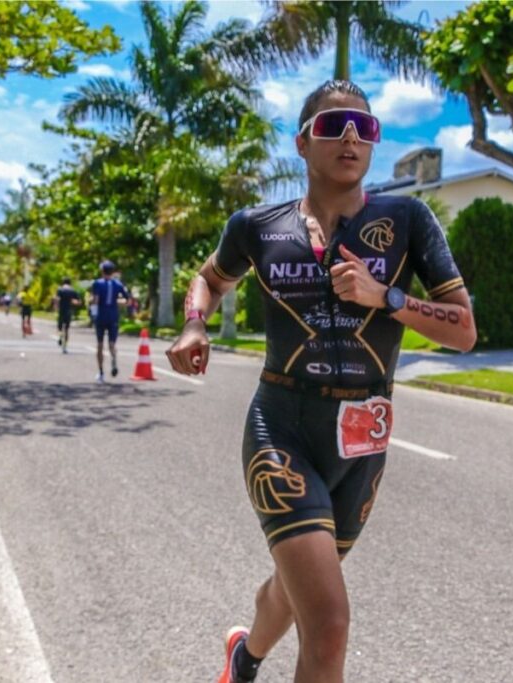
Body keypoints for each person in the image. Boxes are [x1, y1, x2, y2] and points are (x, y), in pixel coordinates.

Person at [165, 80, 476, 683]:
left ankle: (243, 656)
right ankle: (248, 658)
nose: (352, 138)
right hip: (282, 426)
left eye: (366, 128)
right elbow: (208, 279)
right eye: (334, 127)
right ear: (303, 143)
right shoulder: (256, 226)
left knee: (299, 585)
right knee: (328, 623)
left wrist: (385, 296)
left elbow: (463, 330)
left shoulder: (408, 219)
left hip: (362, 441)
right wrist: (195, 324)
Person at [90, 260, 131, 383]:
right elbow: (128, 301)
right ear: (112, 272)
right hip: (113, 316)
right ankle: (113, 359)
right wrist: (116, 302)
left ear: (102, 271)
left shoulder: (97, 283)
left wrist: (92, 311)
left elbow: (96, 300)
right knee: (112, 344)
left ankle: (101, 372)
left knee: (100, 344)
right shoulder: (118, 284)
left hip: (101, 316)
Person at [54, 277, 81, 353]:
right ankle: (65, 347)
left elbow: (57, 299)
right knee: (66, 329)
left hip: (61, 311)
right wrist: (73, 302)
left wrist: (56, 307)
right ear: (70, 283)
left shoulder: (60, 290)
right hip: (69, 311)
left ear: (63, 283)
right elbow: (78, 302)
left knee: (60, 327)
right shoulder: (73, 291)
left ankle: (60, 336)